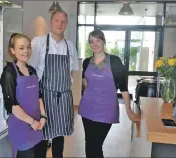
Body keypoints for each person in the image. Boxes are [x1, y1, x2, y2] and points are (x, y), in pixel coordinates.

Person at [78, 29, 140, 158]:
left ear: (104, 42)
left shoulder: (114, 61)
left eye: (98, 40)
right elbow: (85, 80)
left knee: (95, 144)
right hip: (87, 107)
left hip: (106, 109)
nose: (95, 44)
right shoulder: (86, 62)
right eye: (91, 41)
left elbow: (123, 88)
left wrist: (128, 111)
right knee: (89, 143)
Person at [28, 10, 79, 158]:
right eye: (57, 20)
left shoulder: (70, 46)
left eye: (63, 21)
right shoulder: (38, 42)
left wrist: (66, 89)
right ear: (51, 22)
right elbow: (31, 71)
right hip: (44, 97)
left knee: (59, 136)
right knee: (42, 135)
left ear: (67, 24)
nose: (60, 24)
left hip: (63, 97)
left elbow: (72, 72)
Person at [0, 33, 47, 158]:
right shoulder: (9, 72)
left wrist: (43, 116)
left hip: (37, 124)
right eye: (21, 48)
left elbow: (39, 95)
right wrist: (31, 122)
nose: (26, 51)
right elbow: (11, 105)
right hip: (21, 126)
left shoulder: (32, 70)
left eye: (28, 47)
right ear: (12, 51)